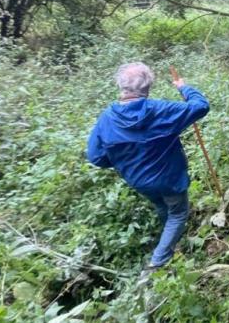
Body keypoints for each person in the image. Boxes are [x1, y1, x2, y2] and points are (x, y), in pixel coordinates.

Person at [86, 62, 209, 271]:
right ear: (148, 86)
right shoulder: (161, 110)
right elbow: (201, 106)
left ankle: (168, 235)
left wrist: (122, 160)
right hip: (170, 179)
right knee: (178, 213)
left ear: (121, 86)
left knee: (162, 206)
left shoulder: (107, 118)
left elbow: (96, 157)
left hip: (138, 180)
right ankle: (158, 262)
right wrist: (183, 87)